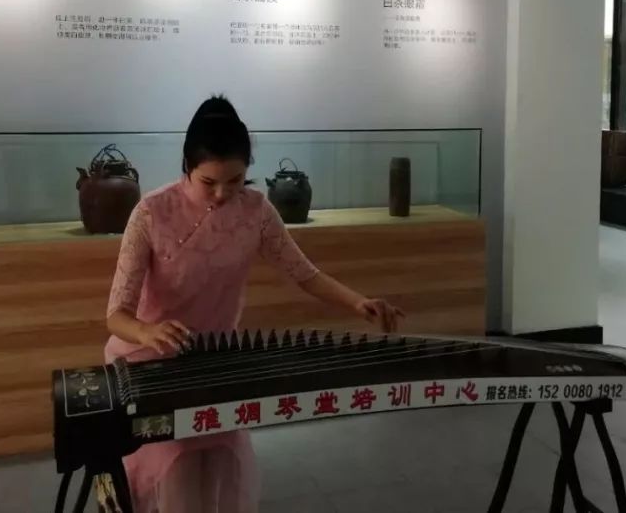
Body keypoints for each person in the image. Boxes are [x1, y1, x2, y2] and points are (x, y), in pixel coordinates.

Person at [104, 95, 404, 513]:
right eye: (209, 182)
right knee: (181, 476)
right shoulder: (151, 212)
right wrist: (147, 331)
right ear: (187, 165)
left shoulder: (256, 210)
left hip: (218, 362)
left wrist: (358, 303)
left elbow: (304, 273)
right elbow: (116, 315)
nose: (222, 193)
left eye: (236, 180)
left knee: (221, 469)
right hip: (152, 365)